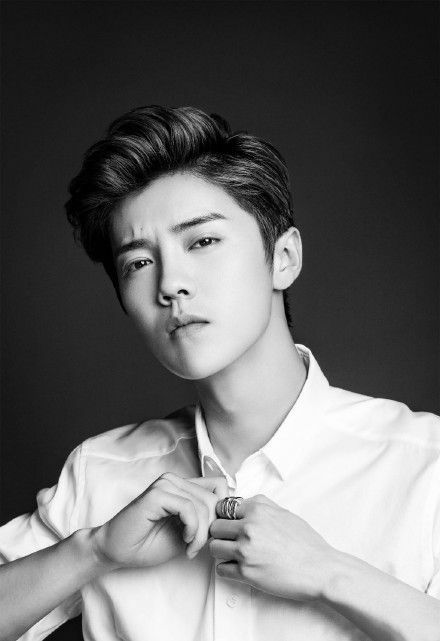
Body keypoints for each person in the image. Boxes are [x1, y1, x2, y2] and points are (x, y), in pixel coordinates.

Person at [1, 105, 439, 641]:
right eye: (138, 263)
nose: (170, 284)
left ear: (284, 257)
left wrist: (332, 574)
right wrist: (93, 551)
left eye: (202, 241)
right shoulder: (102, 475)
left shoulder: (424, 466)